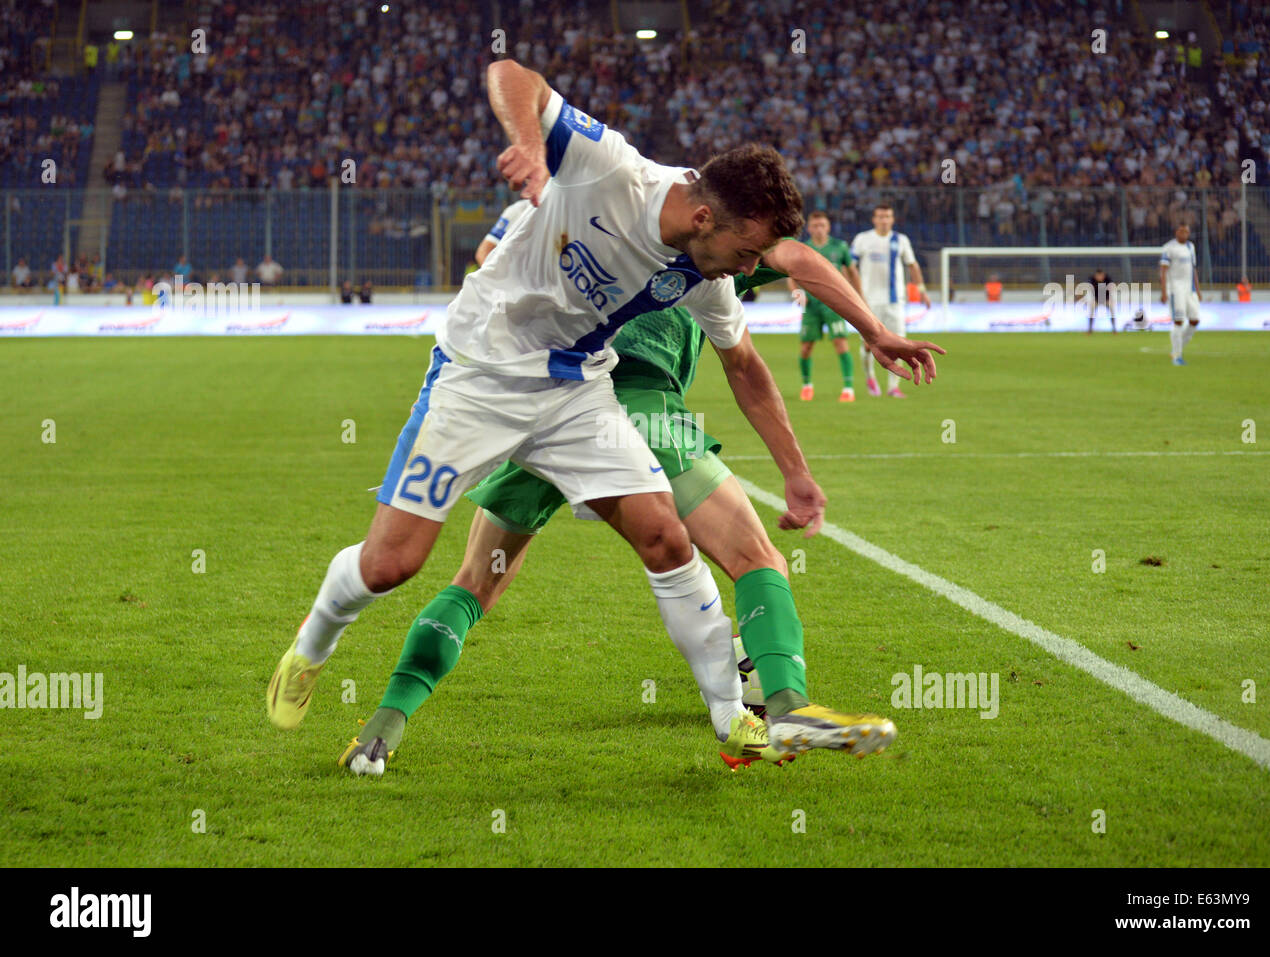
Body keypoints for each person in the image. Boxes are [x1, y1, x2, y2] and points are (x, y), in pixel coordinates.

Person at [267, 58, 940, 777]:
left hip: (579, 391)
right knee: (390, 564)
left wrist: (872, 331)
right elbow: (508, 72)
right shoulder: (607, 166)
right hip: (481, 375)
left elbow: (757, 336)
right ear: (706, 216)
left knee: (665, 537)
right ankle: (313, 642)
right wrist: (529, 145)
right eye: (744, 253)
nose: (746, 271)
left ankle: (739, 719)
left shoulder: (705, 271)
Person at [851, 204, 932, 397]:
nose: (884, 220)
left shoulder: (901, 240)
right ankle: (870, 377)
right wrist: (852, 293)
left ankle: (893, 387)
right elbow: (849, 267)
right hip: (868, 302)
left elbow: (912, 265)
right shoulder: (862, 239)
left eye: (887, 216)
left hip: (895, 302)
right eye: (880, 217)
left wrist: (921, 290)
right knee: (867, 345)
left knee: (899, 345)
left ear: (893, 219)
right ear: (874, 219)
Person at [788, 211, 860, 402]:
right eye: (815, 225)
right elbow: (790, 274)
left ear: (828, 227)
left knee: (841, 343)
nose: (819, 229)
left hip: (834, 304)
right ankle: (807, 386)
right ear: (809, 228)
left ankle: (848, 388)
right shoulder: (802, 248)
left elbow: (852, 272)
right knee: (805, 347)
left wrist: (859, 297)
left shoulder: (839, 247)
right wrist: (796, 293)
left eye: (822, 225)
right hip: (811, 305)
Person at [1160, 223, 1200, 365]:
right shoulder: (1169, 247)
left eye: (1186, 231)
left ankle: (1176, 349)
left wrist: (1198, 289)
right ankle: (1177, 356)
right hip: (1176, 290)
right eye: (1181, 231)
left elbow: (1193, 269)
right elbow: (1163, 270)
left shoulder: (1191, 247)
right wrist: (1164, 292)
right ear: (1176, 232)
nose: (1184, 234)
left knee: (1195, 320)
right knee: (1178, 321)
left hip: (1190, 290)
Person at [1085, 267, 1116, 334]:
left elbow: (1112, 287)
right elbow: (1089, 287)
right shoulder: (1092, 279)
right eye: (1098, 275)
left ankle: (1114, 329)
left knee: (1112, 311)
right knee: (1091, 311)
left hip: (1106, 299)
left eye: (1101, 275)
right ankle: (1089, 330)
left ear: (1103, 275)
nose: (1099, 277)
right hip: (1096, 299)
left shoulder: (1108, 279)